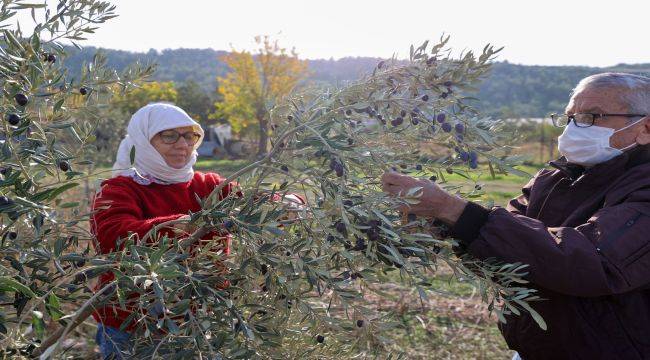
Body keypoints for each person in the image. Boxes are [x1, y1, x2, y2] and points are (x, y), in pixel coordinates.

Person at [381, 73, 650, 360]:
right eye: (570, 116)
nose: (575, 127)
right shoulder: (553, 179)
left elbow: (590, 262)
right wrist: (443, 226)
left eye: (592, 116)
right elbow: (504, 250)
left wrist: (451, 208)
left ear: (645, 128)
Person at [90, 103, 302, 358]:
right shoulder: (118, 189)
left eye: (190, 136)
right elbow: (112, 237)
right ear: (143, 140)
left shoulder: (209, 186)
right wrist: (179, 225)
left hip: (198, 319)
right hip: (133, 322)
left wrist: (287, 203)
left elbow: (250, 203)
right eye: (169, 136)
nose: (183, 144)